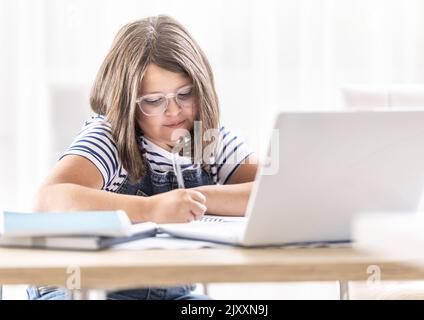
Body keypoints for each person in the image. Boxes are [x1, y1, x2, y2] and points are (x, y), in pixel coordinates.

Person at [28, 15, 258, 300]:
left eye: (185, 94)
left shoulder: (208, 138)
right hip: (82, 289)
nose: (174, 111)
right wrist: (150, 208)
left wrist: (197, 200)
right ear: (126, 101)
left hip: (170, 293)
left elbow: (275, 191)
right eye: (153, 100)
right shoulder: (109, 137)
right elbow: (49, 199)